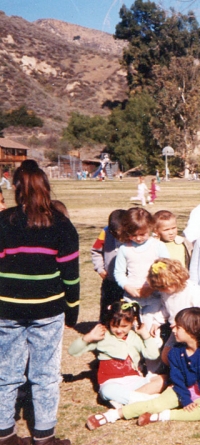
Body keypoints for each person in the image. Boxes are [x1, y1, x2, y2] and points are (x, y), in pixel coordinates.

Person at [0, 160, 80, 445]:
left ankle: (5, 433)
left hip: (6, 309)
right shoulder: (62, 225)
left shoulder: (3, 221)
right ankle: (44, 436)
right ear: (46, 187)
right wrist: (73, 310)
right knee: (45, 373)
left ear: (15, 188)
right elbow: (71, 276)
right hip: (48, 309)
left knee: (6, 371)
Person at [85, 308, 200, 429]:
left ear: (192, 330)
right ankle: (112, 415)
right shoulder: (175, 352)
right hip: (180, 391)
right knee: (154, 404)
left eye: (178, 327)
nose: (173, 330)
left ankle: (160, 416)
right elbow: (177, 379)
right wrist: (185, 400)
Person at [68, 301, 163, 408]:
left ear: (133, 322)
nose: (119, 330)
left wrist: (145, 335)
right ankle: (147, 400)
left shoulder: (135, 337)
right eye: (114, 325)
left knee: (162, 379)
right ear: (109, 322)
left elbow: (153, 355)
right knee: (107, 391)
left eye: (124, 326)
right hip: (112, 383)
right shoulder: (103, 337)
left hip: (135, 381)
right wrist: (88, 337)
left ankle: (125, 400)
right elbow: (72, 351)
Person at [113, 207, 169, 326]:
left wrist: (152, 287)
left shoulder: (158, 246)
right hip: (132, 297)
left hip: (154, 296)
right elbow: (119, 272)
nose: (138, 238)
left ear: (150, 227)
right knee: (133, 328)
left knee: (149, 329)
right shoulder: (124, 249)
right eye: (133, 235)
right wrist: (127, 287)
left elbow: (165, 270)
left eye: (142, 234)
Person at [145, 259, 200, 349]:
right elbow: (166, 309)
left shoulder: (192, 290)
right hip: (176, 331)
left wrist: (184, 324)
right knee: (166, 356)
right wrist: (156, 322)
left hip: (192, 332)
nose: (163, 289)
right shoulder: (165, 293)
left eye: (165, 286)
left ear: (176, 278)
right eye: (160, 287)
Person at [92, 209, 125, 324]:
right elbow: (96, 251)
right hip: (110, 280)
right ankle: (104, 327)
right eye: (115, 234)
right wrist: (100, 268)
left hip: (127, 282)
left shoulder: (133, 234)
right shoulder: (105, 233)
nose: (119, 237)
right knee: (107, 306)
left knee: (125, 308)